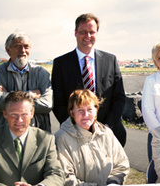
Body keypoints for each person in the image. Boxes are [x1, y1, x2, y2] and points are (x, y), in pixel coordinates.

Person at [52, 13, 126, 146]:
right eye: (83, 32)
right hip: (73, 134)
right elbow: (58, 101)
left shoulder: (110, 60)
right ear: (75, 33)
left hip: (109, 133)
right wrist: (74, 126)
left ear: (97, 33)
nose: (88, 36)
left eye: (92, 32)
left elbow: (118, 97)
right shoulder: (61, 63)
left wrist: (107, 126)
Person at [0, 91, 64, 186]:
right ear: (4, 114)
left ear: (32, 114)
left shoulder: (46, 139)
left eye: (24, 114)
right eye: (13, 115)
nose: (19, 120)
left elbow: (56, 174)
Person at [55, 89, 130, 186]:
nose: (85, 115)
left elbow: (122, 164)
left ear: (96, 110)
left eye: (90, 109)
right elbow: (65, 177)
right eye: (80, 110)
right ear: (71, 112)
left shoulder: (107, 134)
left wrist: (113, 183)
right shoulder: (61, 138)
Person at [0, 30, 53, 132]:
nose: (22, 50)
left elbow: (48, 104)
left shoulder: (41, 73)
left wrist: (10, 100)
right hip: (5, 131)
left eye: (26, 46)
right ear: (8, 50)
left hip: (37, 130)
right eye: (17, 46)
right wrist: (30, 94)